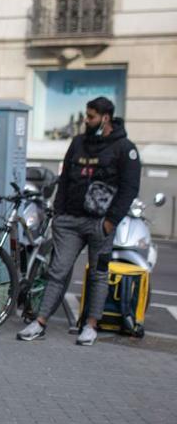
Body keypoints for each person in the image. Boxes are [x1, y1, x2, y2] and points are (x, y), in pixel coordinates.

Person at [18, 96, 141, 346]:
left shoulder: (124, 148)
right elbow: (64, 180)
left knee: (98, 274)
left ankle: (91, 326)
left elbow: (130, 188)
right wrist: (59, 213)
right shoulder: (77, 143)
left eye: (91, 116)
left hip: (100, 224)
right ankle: (40, 322)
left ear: (105, 118)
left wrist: (110, 221)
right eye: (86, 115)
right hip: (70, 221)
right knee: (57, 272)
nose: (86, 120)